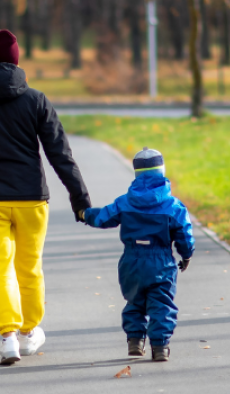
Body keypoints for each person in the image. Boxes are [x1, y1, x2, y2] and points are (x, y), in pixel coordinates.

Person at [0, 29, 91, 365]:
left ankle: (8, 337)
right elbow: (60, 153)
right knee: (29, 267)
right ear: (16, 58)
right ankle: (30, 333)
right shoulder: (35, 99)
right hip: (31, 198)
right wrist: (80, 198)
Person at [80, 147, 194, 362]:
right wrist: (186, 255)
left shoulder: (125, 202)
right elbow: (184, 234)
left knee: (134, 301)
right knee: (161, 304)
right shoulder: (173, 206)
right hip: (161, 262)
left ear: (137, 173)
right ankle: (160, 347)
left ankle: (135, 341)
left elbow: (103, 218)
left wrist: (85, 213)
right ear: (162, 171)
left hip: (131, 261)